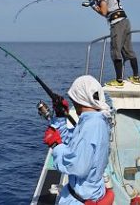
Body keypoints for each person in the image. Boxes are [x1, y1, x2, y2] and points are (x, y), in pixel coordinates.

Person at [43, 75, 114, 205]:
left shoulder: (91, 126)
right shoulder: (96, 119)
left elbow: (77, 166)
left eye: (73, 99)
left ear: (80, 99)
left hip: (80, 199)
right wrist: (60, 117)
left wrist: (55, 145)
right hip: (88, 194)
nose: (73, 103)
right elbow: (73, 143)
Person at [92, 0, 140, 88]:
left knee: (115, 51)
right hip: (125, 21)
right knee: (128, 50)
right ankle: (136, 78)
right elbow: (111, 5)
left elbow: (104, 12)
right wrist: (97, 0)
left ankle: (119, 81)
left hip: (117, 24)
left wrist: (93, 6)